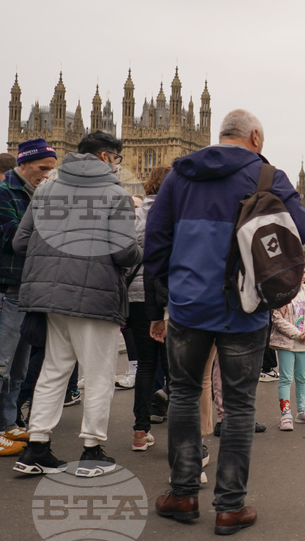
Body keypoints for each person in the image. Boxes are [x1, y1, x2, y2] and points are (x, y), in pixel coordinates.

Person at [147, 109, 305, 534]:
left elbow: (155, 241)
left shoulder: (180, 175)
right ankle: (229, 507)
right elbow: (302, 231)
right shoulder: (268, 176)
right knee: (238, 406)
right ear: (255, 136)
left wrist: (166, 299)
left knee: (184, 396)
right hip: (245, 307)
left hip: (188, 307)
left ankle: (183, 494)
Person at [12, 131, 141, 477]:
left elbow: (21, 242)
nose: (117, 165)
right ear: (104, 157)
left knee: (54, 369)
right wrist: (139, 251)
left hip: (51, 296)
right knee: (98, 374)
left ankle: (37, 446)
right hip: (96, 295)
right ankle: (92, 451)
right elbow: (123, 252)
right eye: (116, 158)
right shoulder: (115, 193)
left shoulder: (46, 189)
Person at [0, 137, 56, 457]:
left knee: (16, 370)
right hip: (5, 291)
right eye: (42, 168)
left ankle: (5, 424)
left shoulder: (33, 194)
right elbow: (12, 238)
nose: (47, 174)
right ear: (24, 163)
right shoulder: (1, 193)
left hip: (27, 292)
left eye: (51, 169)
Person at [127, 165, 172, 451]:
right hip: (166, 299)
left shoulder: (135, 216)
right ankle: (180, 438)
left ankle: (140, 431)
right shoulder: (174, 215)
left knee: (145, 365)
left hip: (136, 297)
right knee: (176, 369)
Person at [271, 274, 305, 430]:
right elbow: (277, 318)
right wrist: (297, 334)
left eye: (304, 271)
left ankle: (302, 410)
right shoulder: (281, 293)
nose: (302, 275)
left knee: (302, 378)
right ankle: (286, 414)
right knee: (286, 378)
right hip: (286, 343)